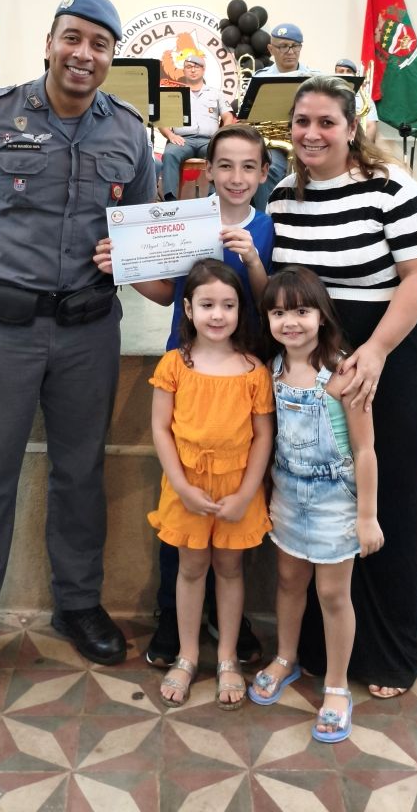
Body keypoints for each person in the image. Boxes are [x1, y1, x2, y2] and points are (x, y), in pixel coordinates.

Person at [0, 0, 156, 700]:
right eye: (73, 38)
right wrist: (11, 270)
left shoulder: (130, 132)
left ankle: (78, 604)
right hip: (3, 330)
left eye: (100, 44)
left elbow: (141, 227)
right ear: (50, 42)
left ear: (112, 57)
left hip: (89, 330)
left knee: (80, 474)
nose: (84, 54)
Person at [268, 74, 417, 699]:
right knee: (328, 508)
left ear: (352, 129)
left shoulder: (389, 185)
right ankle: (324, 649)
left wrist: (375, 351)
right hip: (329, 365)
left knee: (389, 507)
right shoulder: (284, 197)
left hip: (397, 362)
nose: (312, 133)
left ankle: (391, 654)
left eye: (327, 122)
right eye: (302, 121)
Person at [94, 124, 274, 668]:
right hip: (190, 372)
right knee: (182, 510)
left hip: (244, 375)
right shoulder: (189, 221)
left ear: (264, 174)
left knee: (238, 508)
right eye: (226, 166)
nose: (236, 177)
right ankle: (173, 617)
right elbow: (167, 292)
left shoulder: (268, 226)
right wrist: (124, 267)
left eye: (248, 167)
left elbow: (273, 303)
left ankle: (228, 617)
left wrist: (254, 261)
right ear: (207, 171)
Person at [249, 266, 383, 743]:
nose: (291, 322)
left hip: (334, 503)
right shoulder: (272, 370)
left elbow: (365, 450)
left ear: (321, 316)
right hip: (288, 495)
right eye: (279, 313)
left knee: (332, 594)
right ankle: (285, 656)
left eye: (302, 311)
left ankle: (337, 685)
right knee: (288, 580)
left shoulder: (344, 374)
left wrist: (367, 516)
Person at [147, 258, 275, 709]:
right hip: (187, 488)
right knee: (190, 568)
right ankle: (186, 655)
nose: (217, 315)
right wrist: (182, 487)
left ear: (241, 310)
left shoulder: (254, 371)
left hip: (237, 489)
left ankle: (226, 658)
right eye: (207, 305)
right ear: (188, 309)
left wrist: (246, 493)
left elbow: (263, 437)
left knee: (230, 569)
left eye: (228, 305)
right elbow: (160, 428)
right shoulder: (174, 365)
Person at [253, 23, 316, 211]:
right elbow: (251, 116)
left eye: (295, 46)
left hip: (308, 139)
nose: (290, 51)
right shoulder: (260, 79)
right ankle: (268, 216)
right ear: (271, 49)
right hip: (273, 142)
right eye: (283, 46)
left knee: (319, 169)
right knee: (267, 167)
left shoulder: (315, 78)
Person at [159, 50, 233, 200]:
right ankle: (170, 200)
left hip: (209, 141)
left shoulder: (215, 93)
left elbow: (228, 117)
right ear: (183, 71)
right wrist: (170, 135)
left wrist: (220, 136)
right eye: (189, 67)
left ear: (203, 70)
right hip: (182, 141)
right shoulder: (175, 93)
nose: (193, 70)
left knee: (218, 153)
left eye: (197, 67)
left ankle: (213, 198)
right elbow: (161, 120)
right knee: (170, 154)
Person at [334, 58, 379, 143]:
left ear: (355, 75)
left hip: (357, 143)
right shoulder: (327, 94)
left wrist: (365, 148)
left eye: (349, 71)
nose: (345, 75)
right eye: (341, 71)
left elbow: (370, 126)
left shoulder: (365, 98)